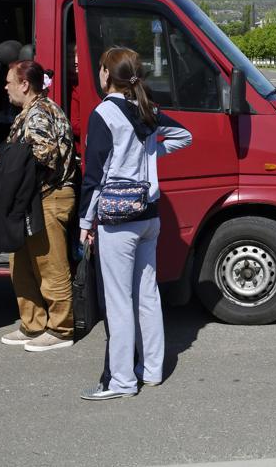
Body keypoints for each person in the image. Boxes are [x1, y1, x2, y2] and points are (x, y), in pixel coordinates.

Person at [77, 47, 192, 401]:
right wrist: (152, 153)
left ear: (107, 75)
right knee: (147, 294)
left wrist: (85, 221)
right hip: (149, 216)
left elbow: (93, 176)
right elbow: (185, 136)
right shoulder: (148, 110)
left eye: (99, 69)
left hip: (117, 218)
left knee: (118, 300)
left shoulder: (103, 114)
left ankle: (122, 381)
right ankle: (152, 369)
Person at [0, 60, 78, 351]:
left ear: (24, 84)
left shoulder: (39, 113)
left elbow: (41, 157)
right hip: (32, 198)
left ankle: (61, 330)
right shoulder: (31, 111)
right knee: (21, 263)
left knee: (50, 265)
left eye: (9, 82)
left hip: (49, 196)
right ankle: (33, 325)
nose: (5, 87)